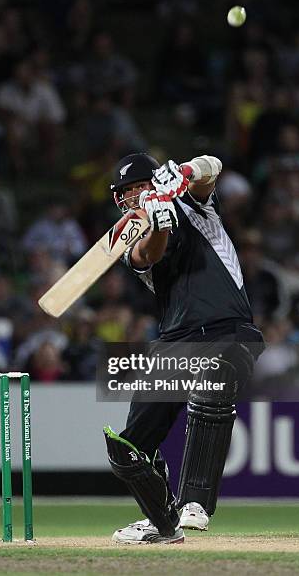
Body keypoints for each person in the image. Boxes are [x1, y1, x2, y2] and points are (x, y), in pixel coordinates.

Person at [104, 153, 264, 544]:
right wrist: (157, 223)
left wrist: (185, 175)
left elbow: (212, 167)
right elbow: (149, 254)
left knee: (211, 384)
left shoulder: (195, 206)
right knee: (127, 448)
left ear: (156, 182)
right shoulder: (132, 239)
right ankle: (163, 522)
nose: (131, 197)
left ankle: (195, 502)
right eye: (125, 193)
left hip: (229, 331)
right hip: (175, 343)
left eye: (138, 188)